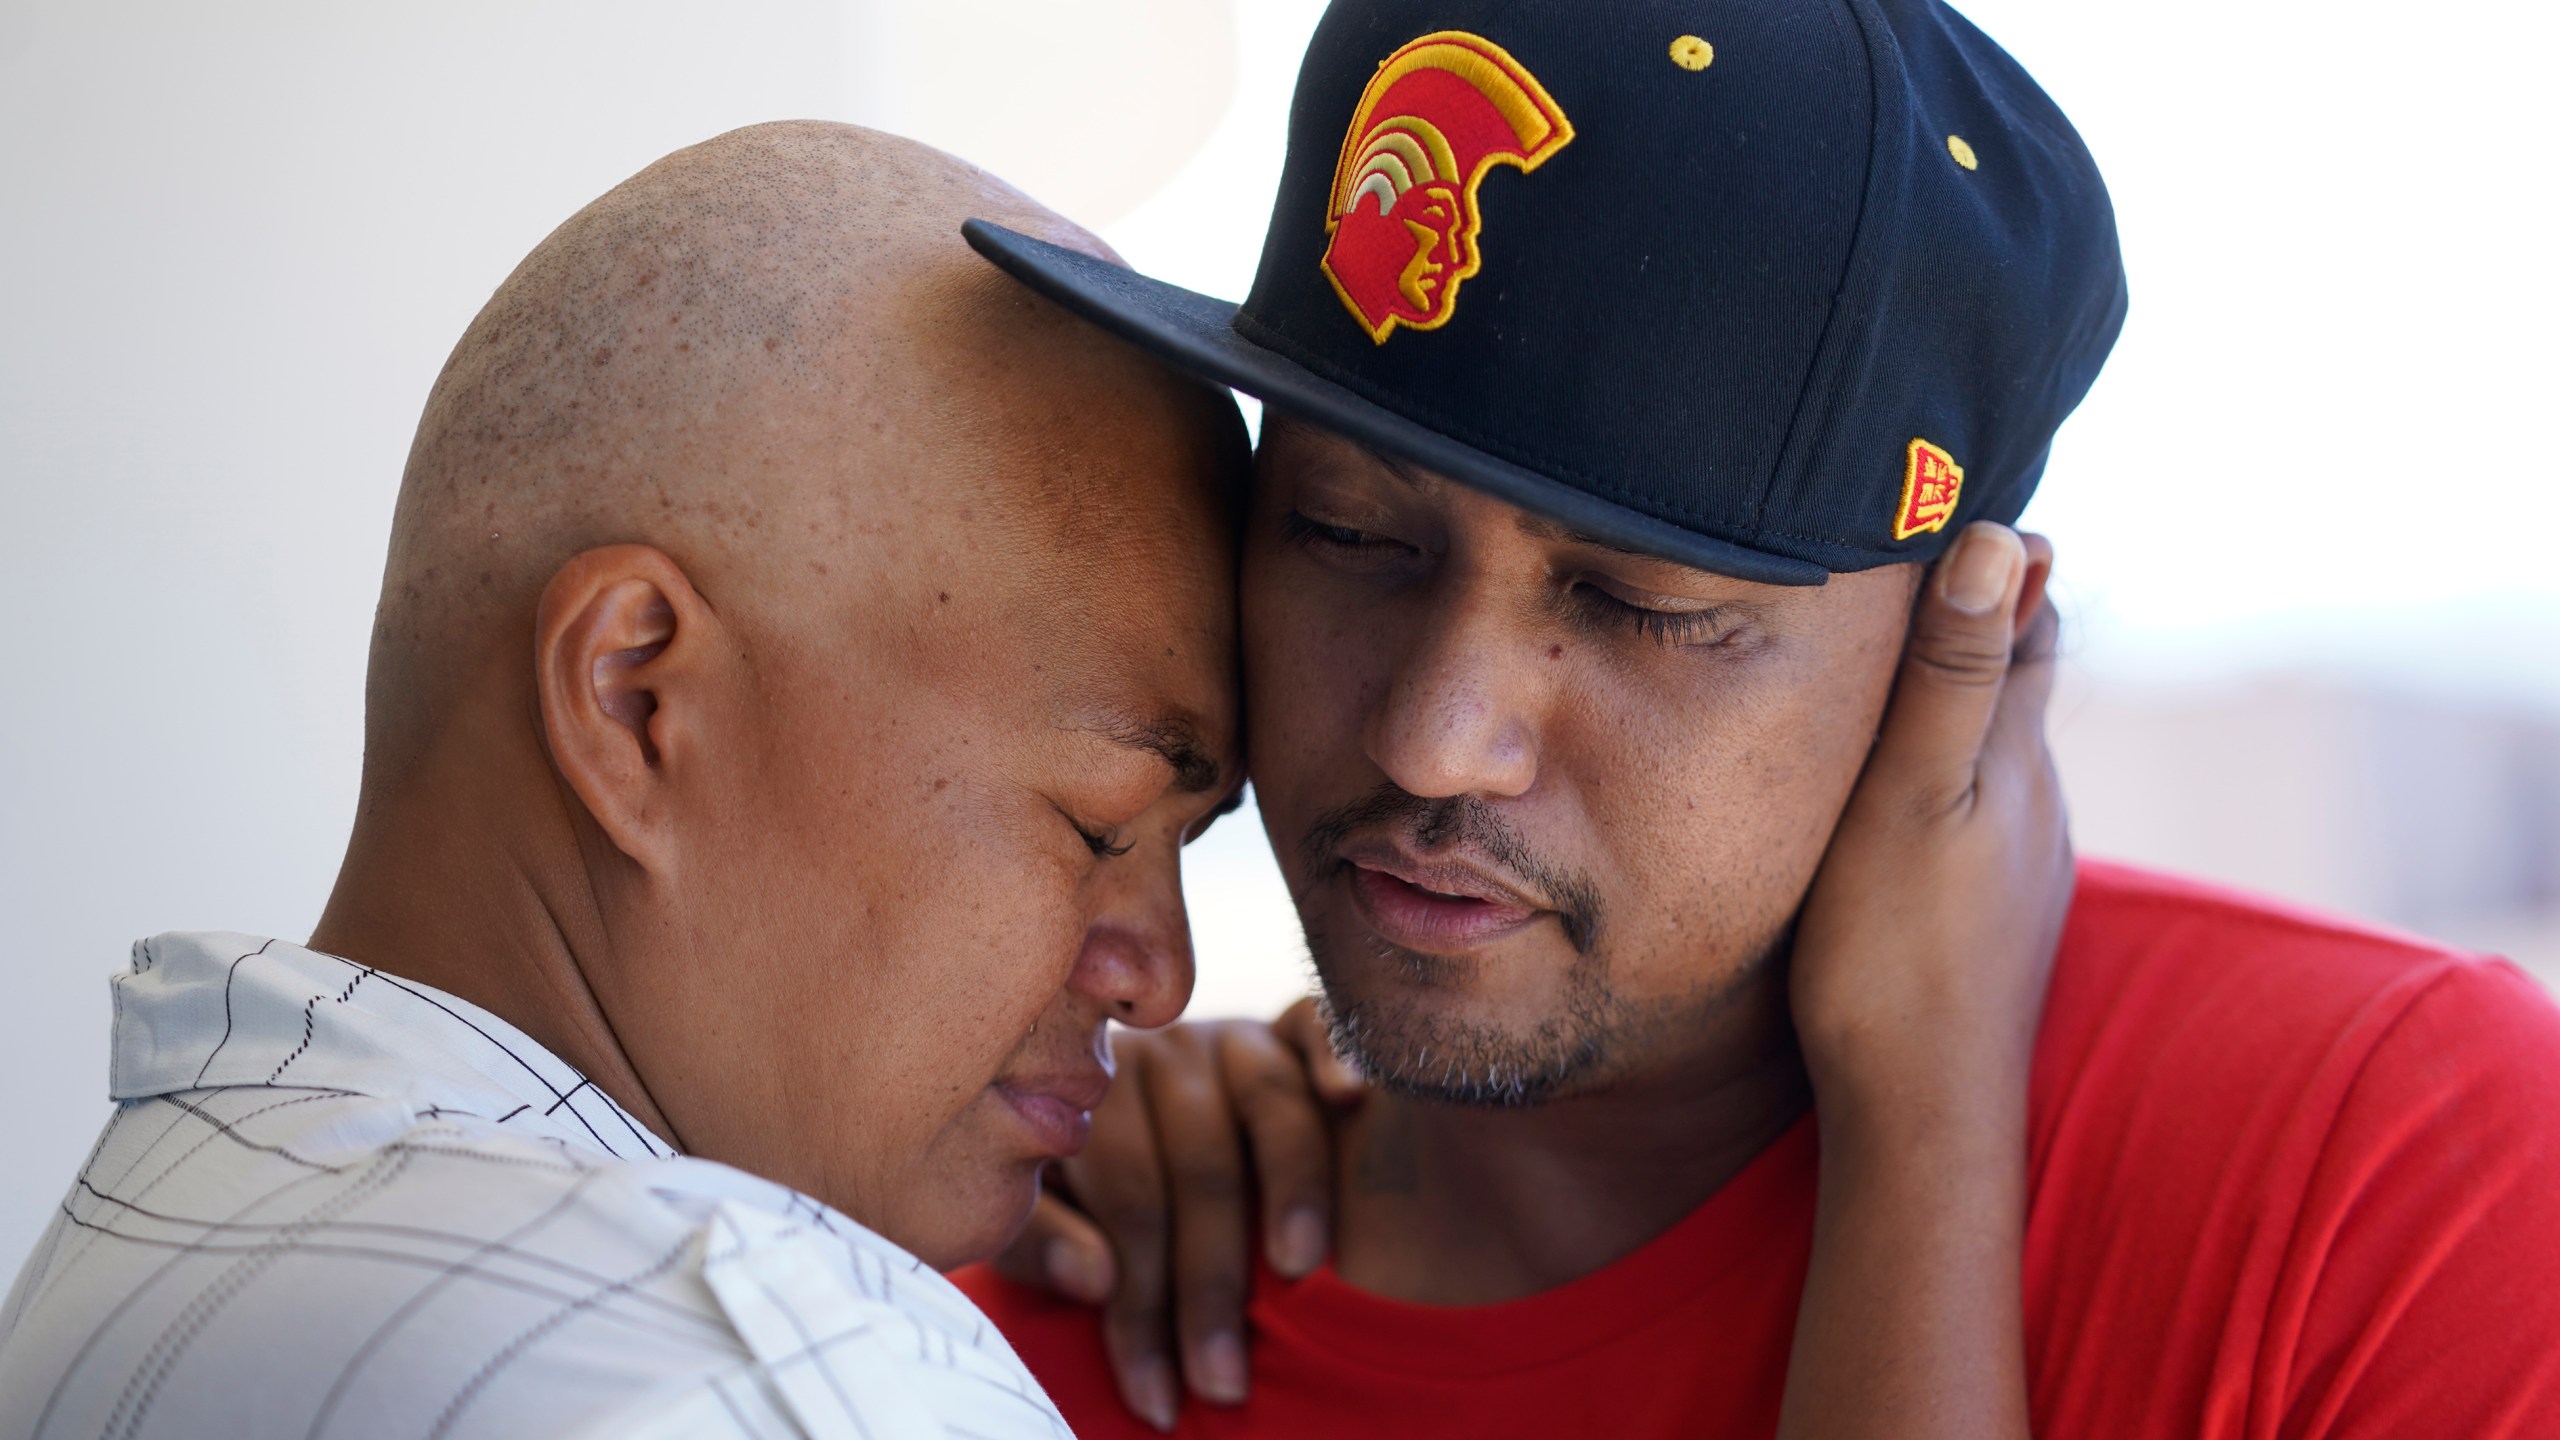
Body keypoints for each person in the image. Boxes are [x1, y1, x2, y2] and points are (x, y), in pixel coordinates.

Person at [947, 0, 2560, 1435]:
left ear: (1973, 645)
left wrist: (1923, 1122)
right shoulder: (1013, 1284)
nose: (1433, 739)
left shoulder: (2391, 1182)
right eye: (1351, 535)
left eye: (1644, 606)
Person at [0, 121, 1253, 1440]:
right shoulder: (764, 1381)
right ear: (637, 701)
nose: (1159, 977)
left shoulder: (154, 1242)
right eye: (1101, 820)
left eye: (1192, 840)